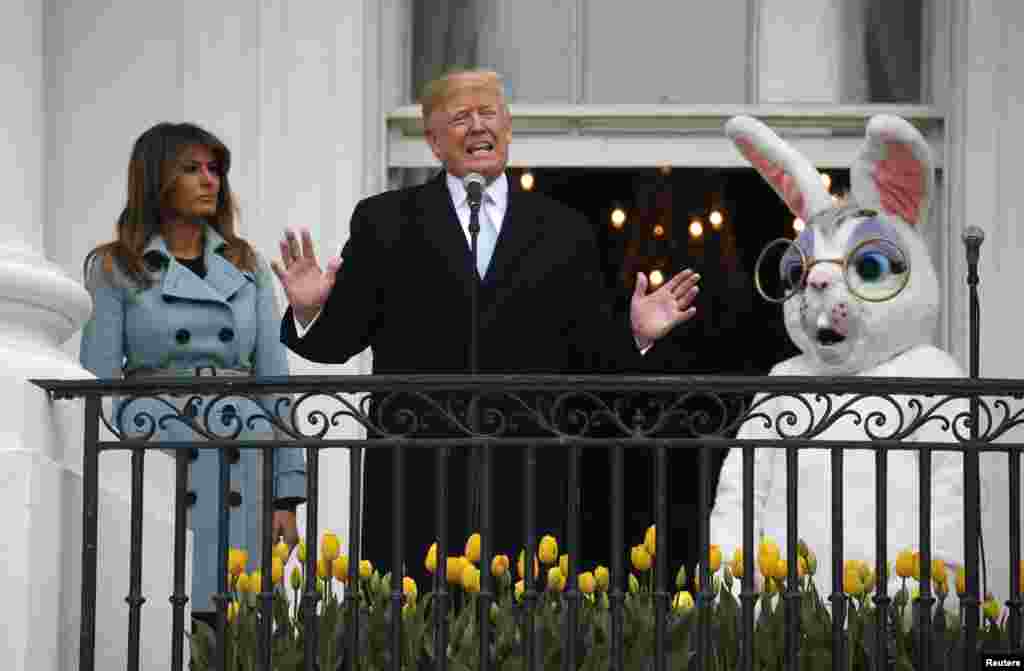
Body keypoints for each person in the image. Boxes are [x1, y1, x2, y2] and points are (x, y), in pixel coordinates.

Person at [273, 70, 700, 586]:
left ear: (508, 127)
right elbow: (340, 341)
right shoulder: (384, 220)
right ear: (433, 141)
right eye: (460, 117)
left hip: (528, 475)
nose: (478, 126)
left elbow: (590, 359)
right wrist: (310, 309)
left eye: (489, 113)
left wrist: (635, 333)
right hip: (417, 474)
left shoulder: (564, 228)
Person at [79, 122, 306, 623]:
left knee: (239, 617)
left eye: (215, 169)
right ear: (156, 179)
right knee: (160, 609)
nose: (210, 181)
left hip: (244, 449)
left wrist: (287, 494)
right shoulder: (115, 266)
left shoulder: (247, 267)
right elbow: (96, 382)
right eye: (191, 168)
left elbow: (274, 378)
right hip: (157, 448)